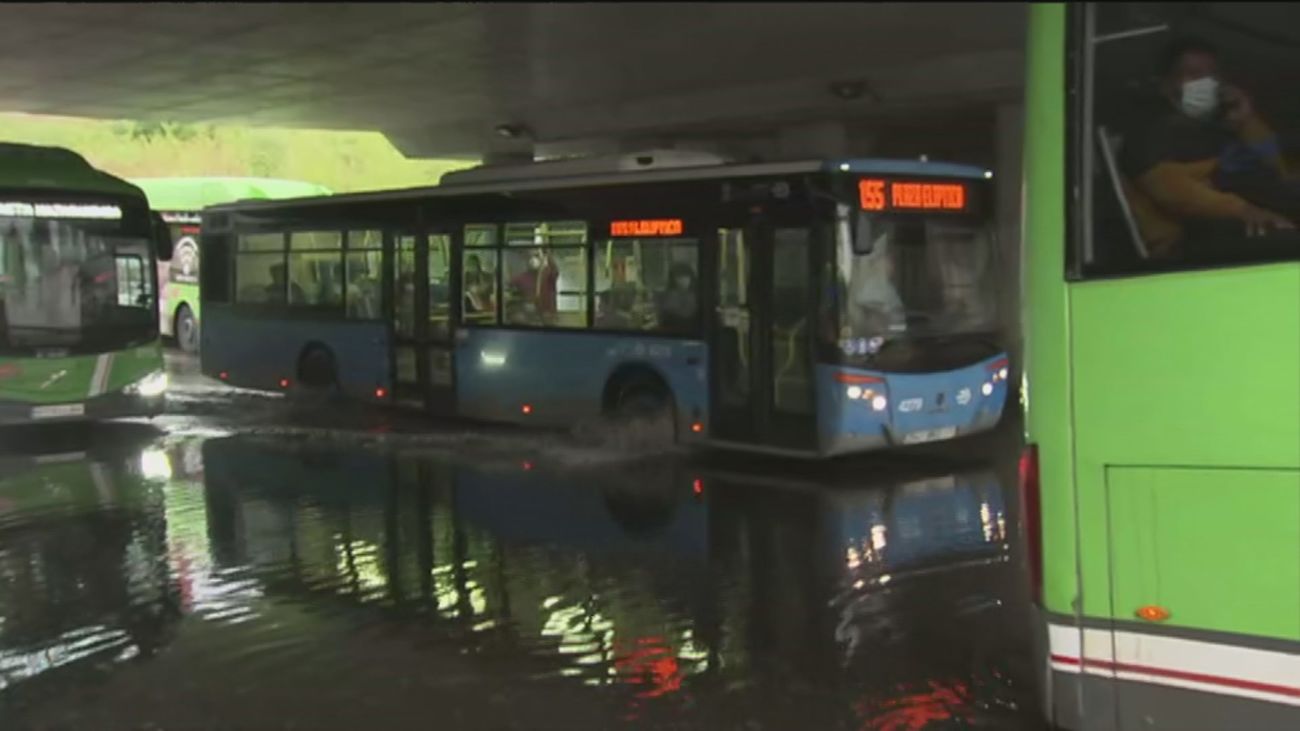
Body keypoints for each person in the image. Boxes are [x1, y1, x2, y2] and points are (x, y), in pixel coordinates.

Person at [1119, 36, 1297, 260]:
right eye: (1193, 74)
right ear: (1166, 84)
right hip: (1186, 245)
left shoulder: (1217, 129)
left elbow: (1273, 170)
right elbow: (1172, 191)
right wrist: (1245, 211)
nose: (1206, 83)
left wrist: (1247, 120)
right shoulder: (1147, 131)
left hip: (1239, 229)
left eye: (1212, 75)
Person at [508, 248, 558, 323]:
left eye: (536, 256)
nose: (533, 259)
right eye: (530, 257)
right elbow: (510, 288)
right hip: (530, 313)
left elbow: (554, 270)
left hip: (546, 313)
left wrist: (548, 255)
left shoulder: (547, 274)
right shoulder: (521, 277)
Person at [657, 263, 698, 331]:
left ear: (691, 278)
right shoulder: (668, 295)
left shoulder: (696, 294)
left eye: (686, 277)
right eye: (679, 277)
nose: (683, 280)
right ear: (673, 279)